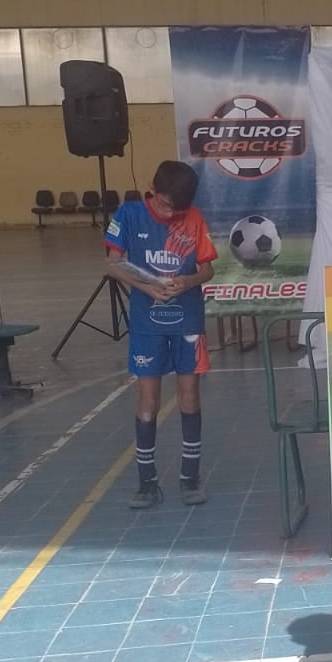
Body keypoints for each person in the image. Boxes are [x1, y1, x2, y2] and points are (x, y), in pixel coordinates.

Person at [104, 160, 217, 510]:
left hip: (187, 321)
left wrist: (188, 281)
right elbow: (112, 262)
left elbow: (208, 269)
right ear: (152, 192)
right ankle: (147, 481)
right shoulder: (128, 214)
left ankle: (190, 477)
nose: (171, 214)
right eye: (166, 205)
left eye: (178, 209)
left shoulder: (194, 218)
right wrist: (148, 288)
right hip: (146, 322)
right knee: (148, 400)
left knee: (189, 396)